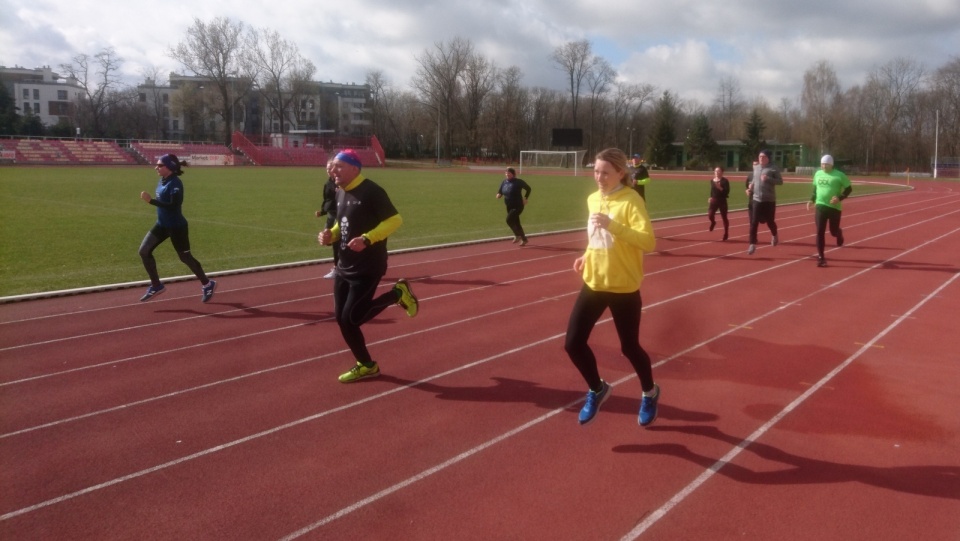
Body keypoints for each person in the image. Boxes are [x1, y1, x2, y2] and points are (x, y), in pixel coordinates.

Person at [564, 148, 661, 427]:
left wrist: (614, 225)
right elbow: (597, 236)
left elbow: (648, 242)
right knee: (573, 343)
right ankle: (597, 388)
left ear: (621, 172)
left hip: (623, 287)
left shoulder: (631, 201)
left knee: (630, 348)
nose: (599, 177)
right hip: (594, 282)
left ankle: (649, 393)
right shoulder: (592, 198)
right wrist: (586, 254)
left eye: (605, 172)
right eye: (596, 171)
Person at [318, 149, 419, 383]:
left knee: (352, 317)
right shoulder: (340, 191)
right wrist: (330, 236)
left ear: (355, 168)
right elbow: (342, 226)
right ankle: (366, 365)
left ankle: (397, 293)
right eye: (333, 167)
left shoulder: (372, 191)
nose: (333, 171)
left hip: (368, 265)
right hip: (344, 264)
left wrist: (367, 238)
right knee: (342, 320)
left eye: (339, 167)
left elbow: (395, 220)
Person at [137, 154, 216, 303]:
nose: (156, 168)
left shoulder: (175, 184)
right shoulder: (163, 180)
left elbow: (174, 205)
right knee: (144, 251)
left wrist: (151, 201)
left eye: (160, 165)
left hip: (177, 227)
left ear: (170, 167)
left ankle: (207, 284)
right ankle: (156, 285)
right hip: (162, 225)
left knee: (185, 257)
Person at [807, 154, 852, 267]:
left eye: (826, 164)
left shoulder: (839, 175)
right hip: (820, 206)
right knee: (820, 232)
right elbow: (815, 189)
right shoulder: (817, 174)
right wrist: (811, 200)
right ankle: (821, 257)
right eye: (822, 164)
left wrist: (839, 198)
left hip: (834, 208)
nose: (823, 166)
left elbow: (849, 188)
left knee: (833, 231)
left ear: (831, 165)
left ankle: (839, 233)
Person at [745, 150, 783, 255]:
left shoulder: (773, 168)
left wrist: (768, 178)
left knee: (770, 221)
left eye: (763, 156)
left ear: (768, 158)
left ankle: (774, 234)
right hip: (756, 199)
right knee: (754, 222)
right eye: (760, 156)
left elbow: (780, 181)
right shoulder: (756, 168)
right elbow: (754, 179)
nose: (761, 158)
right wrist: (750, 186)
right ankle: (752, 244)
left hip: (769, 200)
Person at [495, 168, 531, 245]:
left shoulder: (518, 182)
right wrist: (499, 195)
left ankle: (517, 235)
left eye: (509, 173)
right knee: (516, 223)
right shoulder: (504, 182)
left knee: (508, 220)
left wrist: (525, 198)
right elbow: (500, 191)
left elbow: (528, 189)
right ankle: (524, 239)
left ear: (513, 174)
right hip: (509, 206)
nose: (507, 175)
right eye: (506, 173)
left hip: (518, 205)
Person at [316, 160, 340, 279]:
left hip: (340, 215)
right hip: (331, 215)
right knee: (327, 240)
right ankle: (340, 266)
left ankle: (337, 268)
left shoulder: (341, 182)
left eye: (330, 168)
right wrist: (322, 212)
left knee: (336, 242)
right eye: (326, 168)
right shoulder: (328, 184)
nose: (328, 170)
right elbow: (327, 199)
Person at [707, 166, 731, 240]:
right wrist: (710, 197)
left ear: (722, 172)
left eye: (718, 171)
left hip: (722, 201)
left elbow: (727, 192)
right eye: (715, 171)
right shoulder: (712, 181)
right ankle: (713, 222)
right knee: (710, 215)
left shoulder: (725, 181)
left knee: (724, 218)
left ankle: (726, 233)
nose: (717, 173)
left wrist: (720, 188)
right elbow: (712, 191)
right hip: (714, 200)